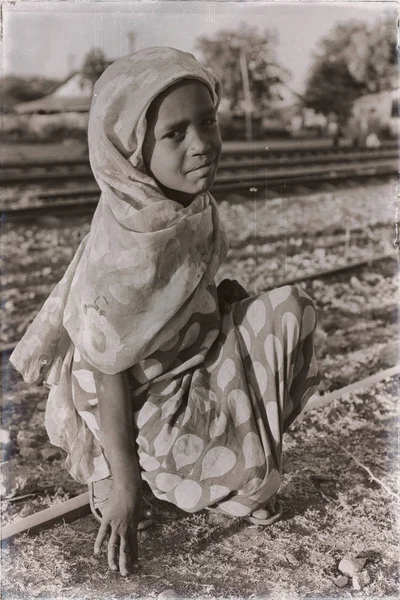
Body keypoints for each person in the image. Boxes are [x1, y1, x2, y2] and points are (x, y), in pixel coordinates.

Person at [10, 47, 321, 577]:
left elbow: (185, 295)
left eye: (207, 122)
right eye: (175, 134)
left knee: (293, 311)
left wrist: (226, 306)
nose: (202, 145)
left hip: (185, 360)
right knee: (250, 491)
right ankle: (128, 474)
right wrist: (126, 487)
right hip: (136, 398)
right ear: (131, 152)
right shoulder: (128, 247)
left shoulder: (186, 205)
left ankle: (212, 471)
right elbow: (108, 369)